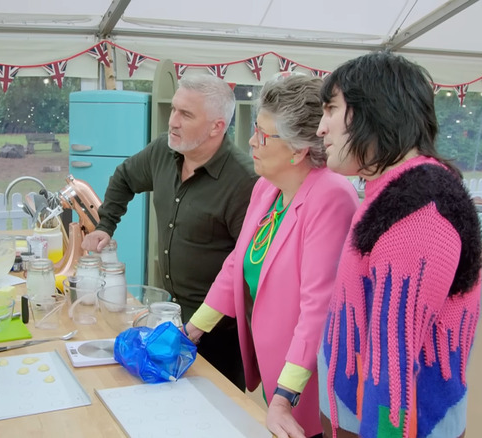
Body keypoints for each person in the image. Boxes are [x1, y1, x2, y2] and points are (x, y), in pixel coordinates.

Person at [316, 52, 482, 438]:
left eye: (331, 109)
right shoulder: (391, 190)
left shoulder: (420, 213)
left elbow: (394, 371)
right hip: (358, 408)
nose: (321, 127)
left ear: (372, 111)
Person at [184, 75, 358, 438]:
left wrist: (284, 396)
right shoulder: (267, 187)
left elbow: (318, 307)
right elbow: (237, 263)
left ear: (297, 150)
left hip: (304, 375)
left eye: (262, 135)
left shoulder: (331, 196)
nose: (250, 141)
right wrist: (191, 332)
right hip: (274, 363)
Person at [82, 74, 259, 389]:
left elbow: (247, 267)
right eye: (174, 109)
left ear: (217, 126)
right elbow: (123, 177)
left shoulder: (245, 182)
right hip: (164, 316)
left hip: (217, 333)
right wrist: (106, 225)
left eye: (186, 114)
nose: (172, 122)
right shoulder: (162, 151)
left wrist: (202, 325)